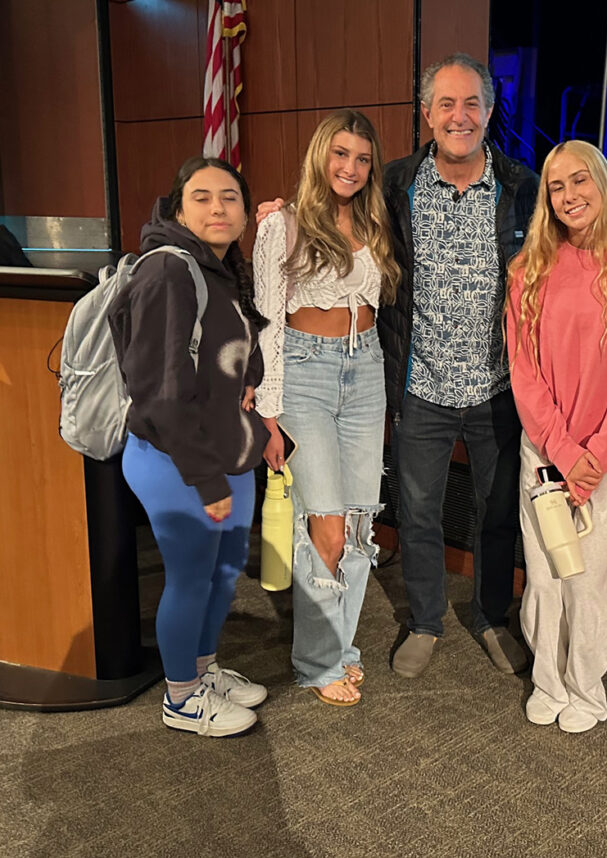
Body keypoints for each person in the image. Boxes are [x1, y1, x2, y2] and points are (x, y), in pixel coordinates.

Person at [378, 53, 540, 678]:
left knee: (497, 515)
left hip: (499, 386)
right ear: (427, 113)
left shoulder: (522, 187)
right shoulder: (395, 184)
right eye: (446, 103)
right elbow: (333, 218)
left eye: (472, 102)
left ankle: (492, 617)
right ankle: (425, 621)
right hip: (421, 384)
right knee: (417, 514)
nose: (459, 115)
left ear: (490, 111)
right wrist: (277, 216)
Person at [506, 140, 607, 733]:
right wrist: (563, 451)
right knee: (546, 574)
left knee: (590, 580)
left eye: (580, 180)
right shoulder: (527, 269)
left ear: (603, 185)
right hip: (546, 452)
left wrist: (596, 455)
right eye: (556, 186)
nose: (569, 195)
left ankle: (585, 687)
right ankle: (547, 681)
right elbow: (523, 371)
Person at [111, 156, 271, 737]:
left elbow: (233, 350)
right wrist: (205, 478)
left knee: (222, 575)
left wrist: (247, 381)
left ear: (246, 213)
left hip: (226, 451)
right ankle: (181, 698)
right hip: (176, 459)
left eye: (230, 197)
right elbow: (159, 392)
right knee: (190, 578)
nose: (217, 208)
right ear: (179, 210)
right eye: (201, 197)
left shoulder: (220, 269)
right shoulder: (168, 272)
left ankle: (202, 671)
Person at [252, 110, 401, 706]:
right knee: (327, 527)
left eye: (362, 159)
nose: (351, 167)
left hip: (365, 368)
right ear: (321, 155)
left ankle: (340, 650)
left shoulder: (374, 221)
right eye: (341, 154)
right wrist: (268, 414)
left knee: (360, 526)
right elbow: (267, 321)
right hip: (305, 372)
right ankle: (316, 663)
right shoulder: (281, 223)